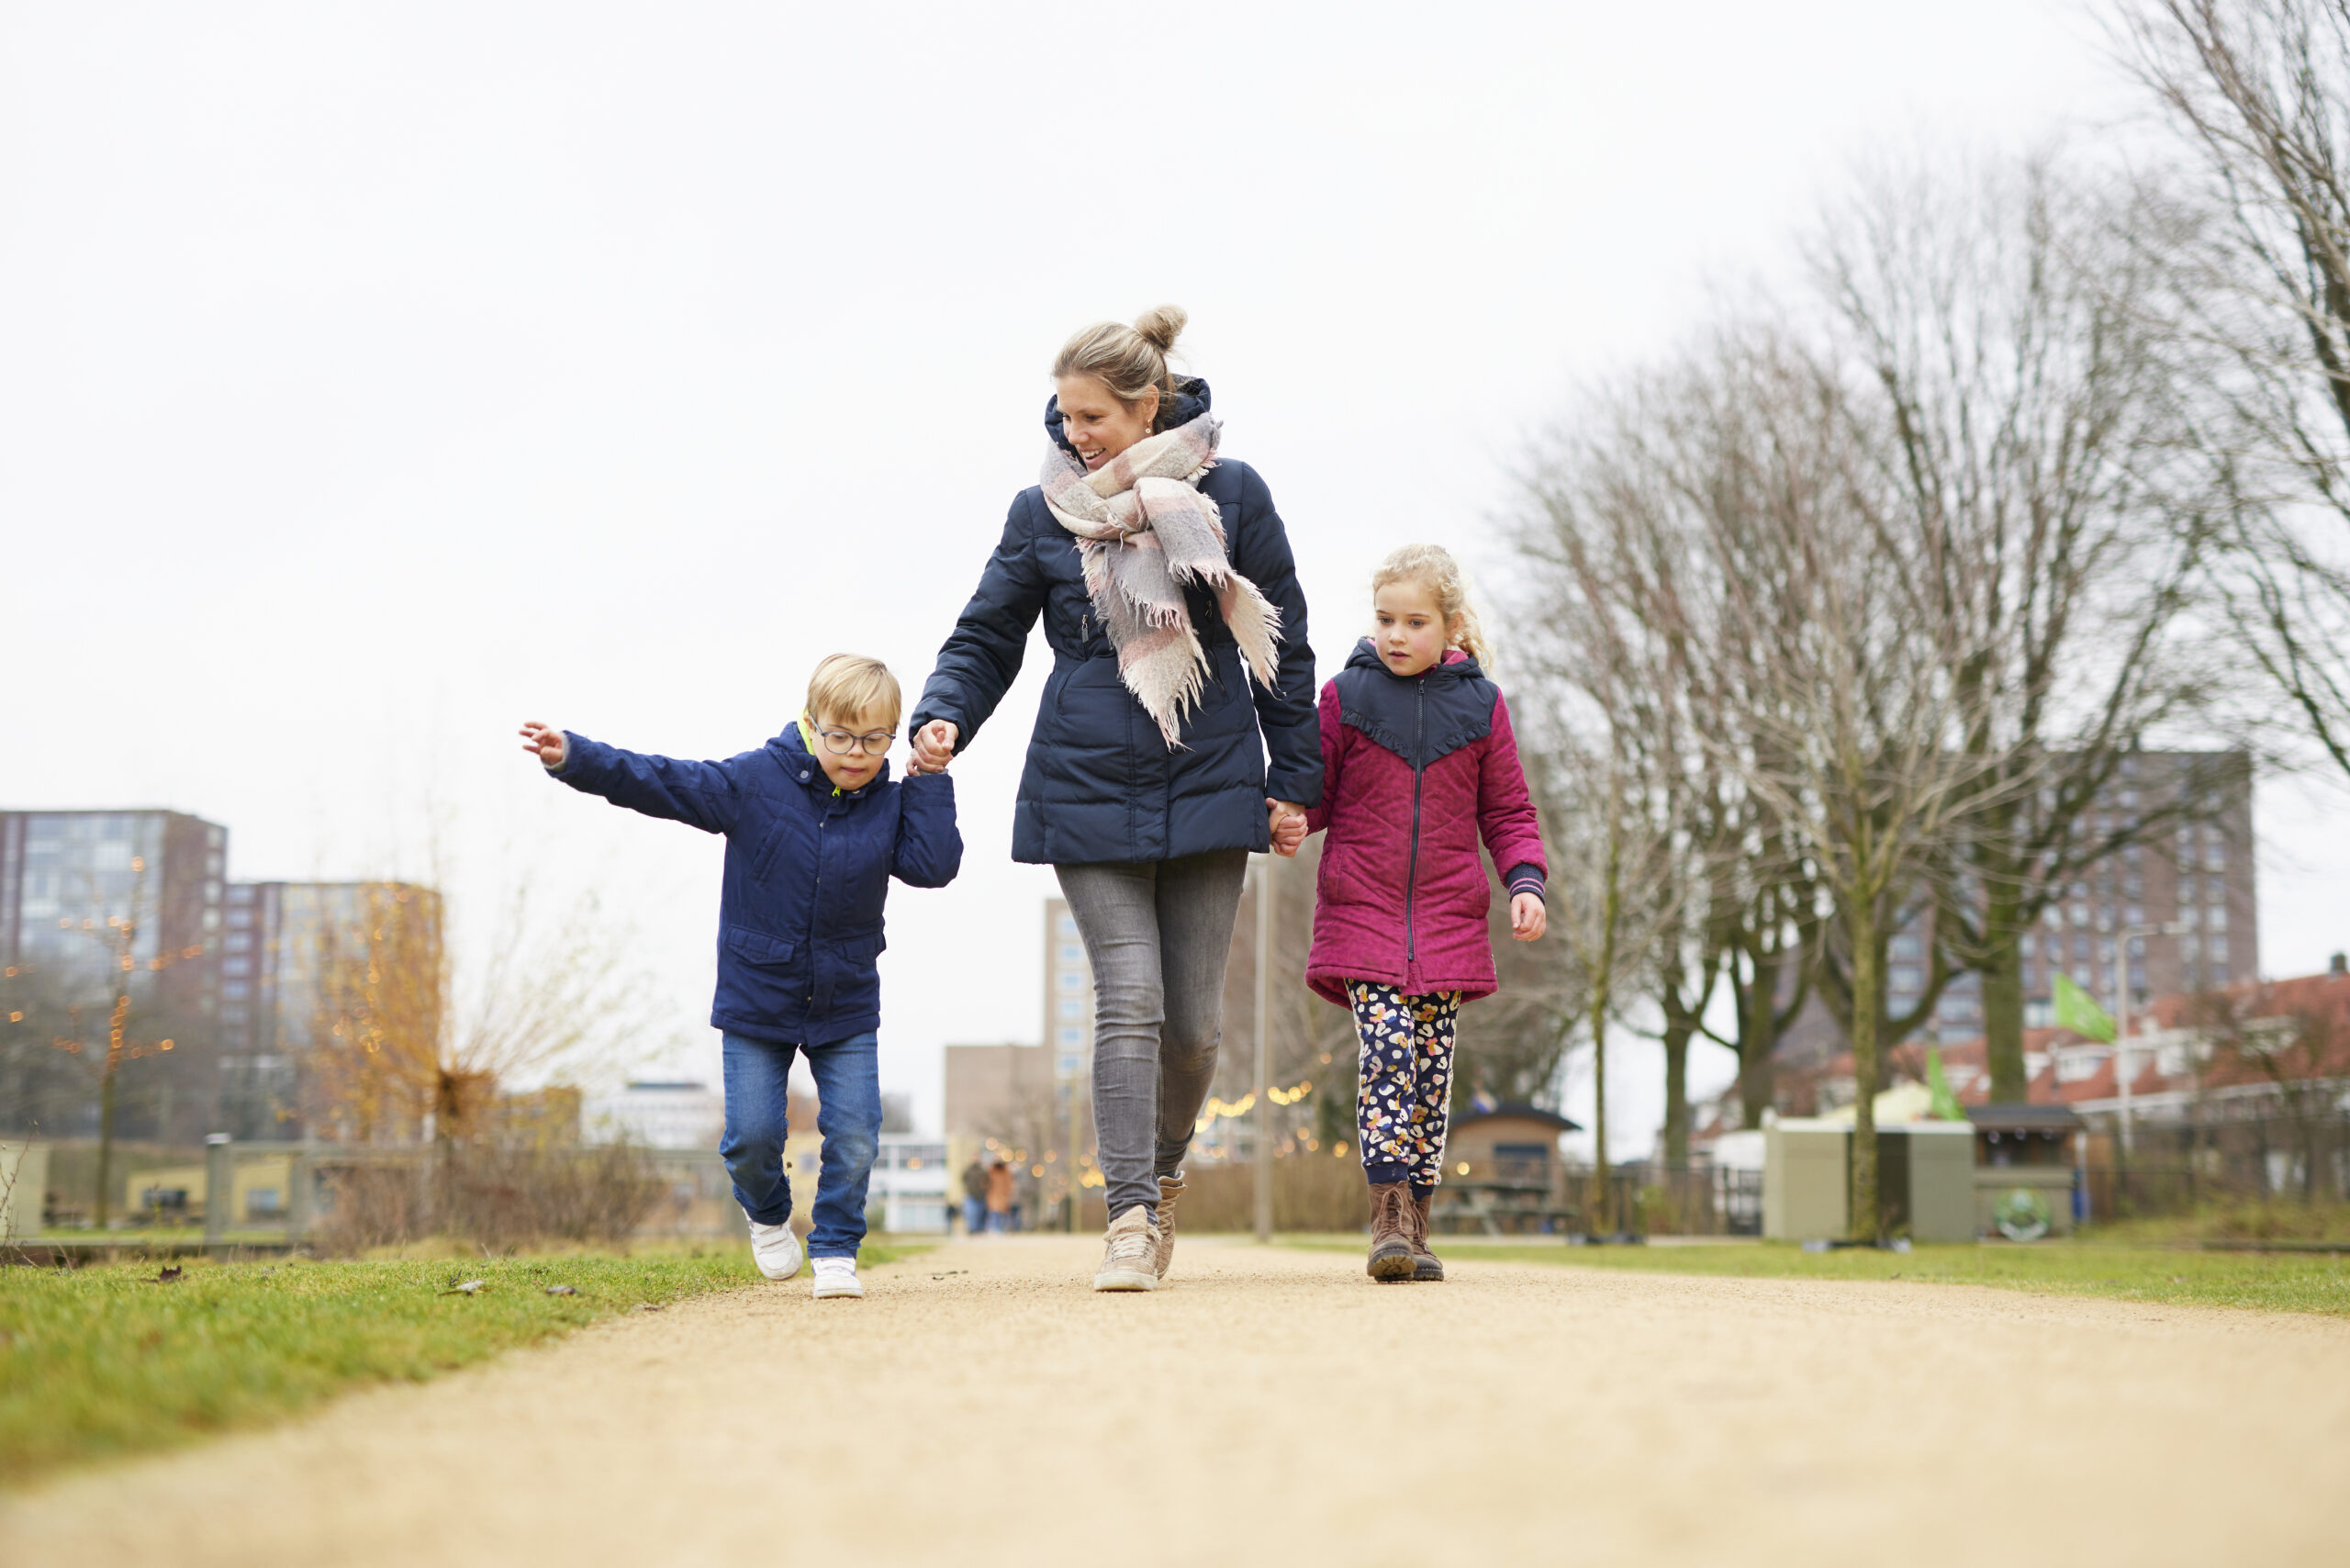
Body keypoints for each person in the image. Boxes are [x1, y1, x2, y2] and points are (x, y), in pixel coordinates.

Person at [910, 306, 1323, 1292]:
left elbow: (1284, 641)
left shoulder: (1233, 495)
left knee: (1194, 1027)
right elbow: (986, 634)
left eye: (1091, 415)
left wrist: (1294, 781)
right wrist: (944, 716)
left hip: (1210, 770)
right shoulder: (1042, 509)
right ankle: (1129, 1215)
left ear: (1147, 406)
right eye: (1064, 415)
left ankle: (1165, 1173)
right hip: (1084, 782)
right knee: (1127, 994)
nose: (1073, 433)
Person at [519, 655, 961, 1300]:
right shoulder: (756, 782)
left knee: (859, 1132)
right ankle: (768, 1212)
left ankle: (836, 1249)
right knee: (752, 1137)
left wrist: (930, 777)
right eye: (841, 736)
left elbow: (934, 864)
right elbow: (662, 782)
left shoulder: (890, 805)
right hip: (759, 993)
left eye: (874, 739)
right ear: (811, 724)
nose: (857, 753)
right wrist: (575, 758)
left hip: (845, 1000)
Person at [1298, 544, 1549, 1282]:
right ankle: (1387, 1217)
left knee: (1432, 1077)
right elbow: (1315, 792)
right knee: (1389, 1053)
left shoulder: (1482, 706)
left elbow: (1508, 810)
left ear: (1450, 626)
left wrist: (1526, 881)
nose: (1397, 636)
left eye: (1414, 622)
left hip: (1447, 919)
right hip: (1363, 910)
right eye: (1385, 620)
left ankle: (1420, 1222)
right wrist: (1281, 814)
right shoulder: (1346, 697)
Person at [984, 1156, 1013, 1235]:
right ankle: (994, 1228)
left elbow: (1009, 1184)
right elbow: (987, 1182)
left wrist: (1007, 1194)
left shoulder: (1006, 1172)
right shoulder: (991, 1171)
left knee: (1002, 1214)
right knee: (994, 1213)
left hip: (1002, 1195)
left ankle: (1001, 1229)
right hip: (993, 1195)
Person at [960, 1156, 989, 1238]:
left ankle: (979, 1230)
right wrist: (968, 1187)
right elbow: (963, 1179)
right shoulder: (968, 1170)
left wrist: (983, 1188)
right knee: (971, 1213)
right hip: (971, 1194)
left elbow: (987, 1180)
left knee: (980, 1213)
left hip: (981, 1195)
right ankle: (972, 1229)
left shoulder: (983, 1170)